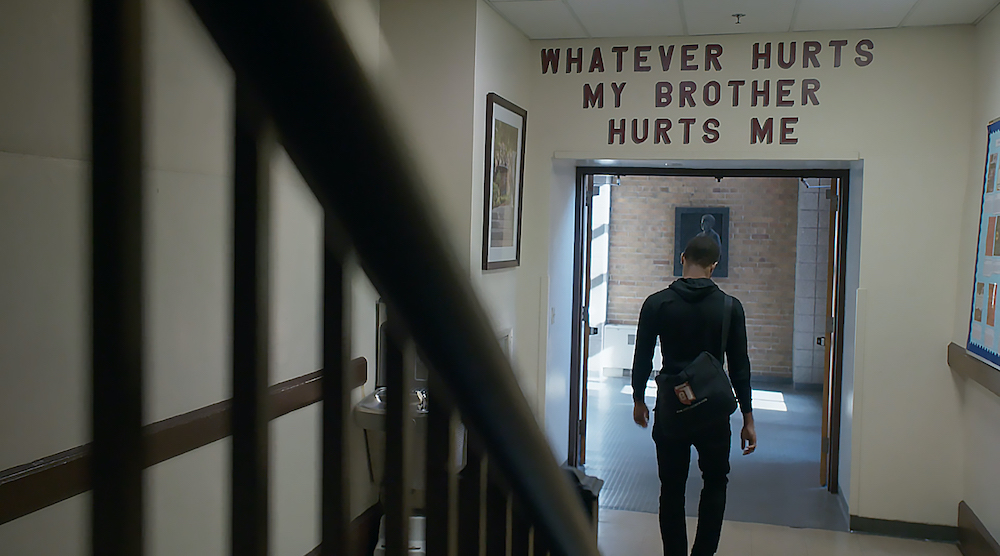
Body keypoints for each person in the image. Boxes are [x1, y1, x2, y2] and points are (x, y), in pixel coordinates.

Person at [631, 235, 756, 556]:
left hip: (672, 408)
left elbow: (642, 357)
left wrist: (638, 399)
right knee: (715, 482)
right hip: (713, 411)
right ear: (714, 266)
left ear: (682, 257)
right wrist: (748, 418)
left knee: (671, 489)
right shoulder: (731, 307)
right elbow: (740, 367)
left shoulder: (657, 303)